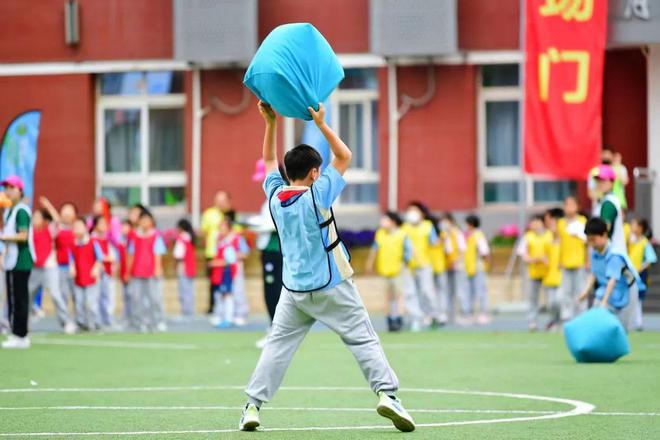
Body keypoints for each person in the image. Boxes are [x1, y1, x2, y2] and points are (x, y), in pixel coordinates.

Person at [241, 102, 414, 432]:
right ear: (314, 173)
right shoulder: (318, 195)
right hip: (332, 284)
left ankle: (252, 406)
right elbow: (345, 155)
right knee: (363, 340)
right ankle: (388, 396)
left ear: (287, 172)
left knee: (277, 347)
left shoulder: (275, 196)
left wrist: (270, 122)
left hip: (293, 291)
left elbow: (266, 161)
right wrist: (320, 122)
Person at [578, 218, 645, 330]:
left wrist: (604, 302)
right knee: (596, 319)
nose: (591, 243)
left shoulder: (614, 255)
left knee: (620, 329)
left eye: (593, 239)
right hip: (607, 289)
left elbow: (612, 280)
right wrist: (585, 291)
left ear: (604, 235)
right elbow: (594, 273)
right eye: (589, 240)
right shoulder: (594, 251)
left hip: (627, 291)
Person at [247, 159, 284, 349]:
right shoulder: (270, 198)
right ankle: (274, 328)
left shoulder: (281, 196)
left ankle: (275, 331)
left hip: (275, 251)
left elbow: (276, 224)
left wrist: (259, 226)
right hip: (269, 250)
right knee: (271, 291)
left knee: (274, 292)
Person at [28, 208, 75, 334]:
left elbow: (57, 219)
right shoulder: (30, 232)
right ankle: (25, 325)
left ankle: (66, 322)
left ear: (44, 220)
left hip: (49, 267)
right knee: (29, 295)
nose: (34, 219)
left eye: (38, 217)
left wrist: (47, 204)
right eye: (34, 216)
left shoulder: (49, 230)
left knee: (55, 293)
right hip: (34, 267)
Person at [0, 176, 34, 349]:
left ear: (20, 190)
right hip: (11, 260)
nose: (7, 191)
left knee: (20, 298)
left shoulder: (21, 210)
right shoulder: (9, 211)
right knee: (13, 298)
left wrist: (4, 237)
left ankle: (21, 335)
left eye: (11, 187)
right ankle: (16, 332)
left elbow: (23, 236)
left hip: (21, 260)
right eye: (6, 187)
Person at [366, 211, 411, 332]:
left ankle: (399, 319)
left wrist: (405, 265)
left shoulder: (402, 234)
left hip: (398, 271)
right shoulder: (380, 234)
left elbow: (408, 252)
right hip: (384, 270)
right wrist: (370, 263)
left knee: (399, 296)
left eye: (385, 220)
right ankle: (389, 320)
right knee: (386, 297)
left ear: (393, 222)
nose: (382, 222)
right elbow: (374, 249)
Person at [40, 197, 79, 327]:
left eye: (70, 211)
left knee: (77, 295)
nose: (67, 213)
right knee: (62, 295)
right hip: (61, 266)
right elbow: (56, 220)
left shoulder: (77, 227)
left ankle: (80, 320)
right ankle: (65, 321)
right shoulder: (56, 227)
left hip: (77, 267)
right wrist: (49, 206)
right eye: (64, 210)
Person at [401, 201, 440, 331]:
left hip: (424, 264)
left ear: (422, 213)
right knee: (410, 293)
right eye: (409, 210)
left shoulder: (428, 226)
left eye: (415, 210)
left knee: (426, 291)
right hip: (408, 265)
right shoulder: (405, 227)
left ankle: (433, 314)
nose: (411, 213)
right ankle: (416, 318)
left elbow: (435, 243)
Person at [127, 210, 167, 332]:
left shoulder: (156, 236)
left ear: (152, 222)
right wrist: (128, 271)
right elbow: (130, 255)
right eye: (142, 220)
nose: (144, 223)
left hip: (151, 272)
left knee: (155, 298)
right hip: (137, 272)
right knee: (137, 298)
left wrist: (158, 268)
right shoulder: (134, 236)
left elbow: (158, 254)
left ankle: (157, 320)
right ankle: (140, 322)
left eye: (147, 220)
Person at [517, 214, 551, 331]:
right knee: (532, 299)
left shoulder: (549, 235)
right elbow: (523, 255)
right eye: (532, 222)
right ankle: (532, 321)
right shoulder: (527, 237)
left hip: (549, 273)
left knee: (551, 299)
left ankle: (552, 321)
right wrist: (535, 259)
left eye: (537, 222)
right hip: (533, 273)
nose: (534, 225)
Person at [69, 217, 104, 331]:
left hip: (91, 278)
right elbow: (72, 259)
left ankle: (94, 322)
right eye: (75, 227)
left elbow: (100, 258)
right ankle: (81, 322)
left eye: (80, 226)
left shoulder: (93, 242)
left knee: (91, 302)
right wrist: (72, 267)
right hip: (79, 278)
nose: (77, 229)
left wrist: (95, 268)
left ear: (86, 228)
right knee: (79, 302)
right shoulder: (73, 244)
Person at [209, 216, 243, 329]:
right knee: (222, 295)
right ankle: (222, 316)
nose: (220, 230)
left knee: (231, 294)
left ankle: (233, 316)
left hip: (230, 271)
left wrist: (216, 263)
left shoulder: (234, 239)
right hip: (223, 272)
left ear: (229, 228)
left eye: (223, 227)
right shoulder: (221, 240)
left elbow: (232, 258)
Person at [201, 191, 232, 313]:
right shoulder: (209, 213)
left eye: (223, 200)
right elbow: (204, 232)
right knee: (213, 280)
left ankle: (228, 308)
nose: (221, 203)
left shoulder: (231, 214)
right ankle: (213, 306)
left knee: (227, 279)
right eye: (218, 200)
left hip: (228, 254)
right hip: (212, 252)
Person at [558, 196, 588, 320]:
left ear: (577, 207)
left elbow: (587, 242)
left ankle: (582, 314)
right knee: (566, 291)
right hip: (565, 262)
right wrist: (559, 260)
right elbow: (559, 243)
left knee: (580, 290)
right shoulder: (560, 223)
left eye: (572, 204)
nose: (569, 207)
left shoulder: (583, 220)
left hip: (579, 261)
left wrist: (587, 260)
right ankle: (567, 315)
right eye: (567, 205)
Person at [628, 218, 657, 330]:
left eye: (634, 225)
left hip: (640, 276)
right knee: (631, 298)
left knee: (637, 299)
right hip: (630, 273)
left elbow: (651, 259)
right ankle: (631, 322)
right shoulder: (631, 241)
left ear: (640, 228)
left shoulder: (644, 242)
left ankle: (638, 322)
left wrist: (640, 268)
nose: (632, 227)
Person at [462, 214, 490, 325]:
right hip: (467, 267)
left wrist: (485, 265)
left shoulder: (478, 235)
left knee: (480, 291)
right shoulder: (466, 235)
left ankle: (483, 313)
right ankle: (468, 313)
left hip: (478, 267)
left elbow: (484, 252)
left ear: (471, 224)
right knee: (468, 292)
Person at [593, 164, 626, 252]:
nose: (600, 183)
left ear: (612, 182)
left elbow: (604, 229)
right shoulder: (604, 200)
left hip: (611, 255)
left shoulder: (609, 202)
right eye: (598, 180)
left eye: (603, 180)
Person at [91, 215, 117, 327]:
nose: (104, 226)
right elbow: (98, 257)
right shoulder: (92, 240)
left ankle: (106, 319)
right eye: (101, 223)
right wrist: (107, 258)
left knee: (106, 296)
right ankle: (96, 320)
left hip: (106, 272)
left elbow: (112, 257)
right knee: (96, 296)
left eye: (105, 223)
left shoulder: (106, 241)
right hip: (97, 272)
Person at [441, 212, 467, 324]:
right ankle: (450, 315)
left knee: (460, 291)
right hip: (447, 266)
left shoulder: (457, 233)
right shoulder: (444, 235)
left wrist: (455, 261)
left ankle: (462, 314)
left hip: (457, 266)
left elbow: (462, 250)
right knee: (448, 291)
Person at [543, 208, 564, 331]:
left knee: (559, 300)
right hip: (549, 277)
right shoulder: (547, 240)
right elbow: (545, 255)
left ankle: (561, 321)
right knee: (551, 304)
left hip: (561, 277)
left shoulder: (565, 240)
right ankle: (554, 321)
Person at [173, 218, 197, 317]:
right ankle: (189, 310)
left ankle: (186, 311)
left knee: (184, 290)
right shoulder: (190, 238)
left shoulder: (182, 239)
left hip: (183, 266)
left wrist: (175, 265)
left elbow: (178, 255)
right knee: (189, 290)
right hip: (190, 266)